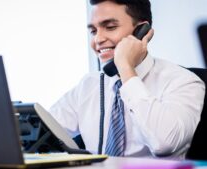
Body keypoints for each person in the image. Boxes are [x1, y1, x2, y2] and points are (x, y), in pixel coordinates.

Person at [49, 0, 205, 159]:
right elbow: (45, 131)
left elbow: (164, 144)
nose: (98, 39)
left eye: (110, 27)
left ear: (142, 31)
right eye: (93, 31)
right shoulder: (89, 84)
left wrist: (126, 69)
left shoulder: (183, 82)